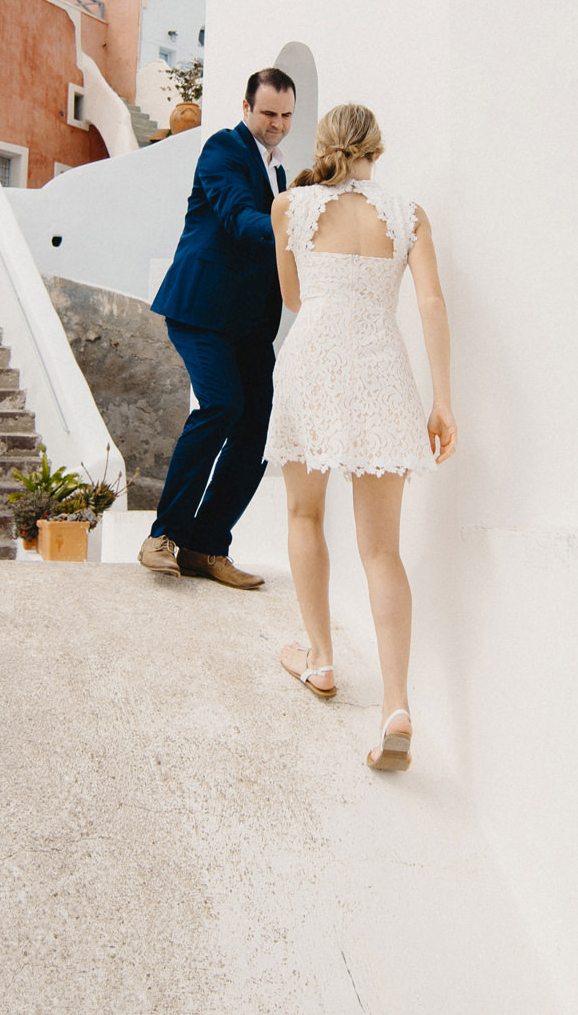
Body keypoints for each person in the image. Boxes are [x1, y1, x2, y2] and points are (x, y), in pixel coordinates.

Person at [266, 102, 455, 771]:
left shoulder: (291, 207)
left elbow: (293, 299)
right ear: (378, 147)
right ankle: (396, 704)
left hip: (314, 361)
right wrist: (443, 402)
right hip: (382, 368)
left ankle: (320, 660)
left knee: (303, 512)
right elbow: (430, 304)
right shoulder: (409, 213)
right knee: (383, 551)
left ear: (324, 144)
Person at [140, 66, 298, 590]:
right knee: (222, 405)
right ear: (248, 107)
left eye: (286, 116)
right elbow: (237, 215)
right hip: (202, 310)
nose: (276, 124)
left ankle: (206, 546)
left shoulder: (280, 172)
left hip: (250, 323)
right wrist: (295, 225)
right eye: (268, 113)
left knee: (258, 430)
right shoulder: (223, 149)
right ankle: (162, 536)